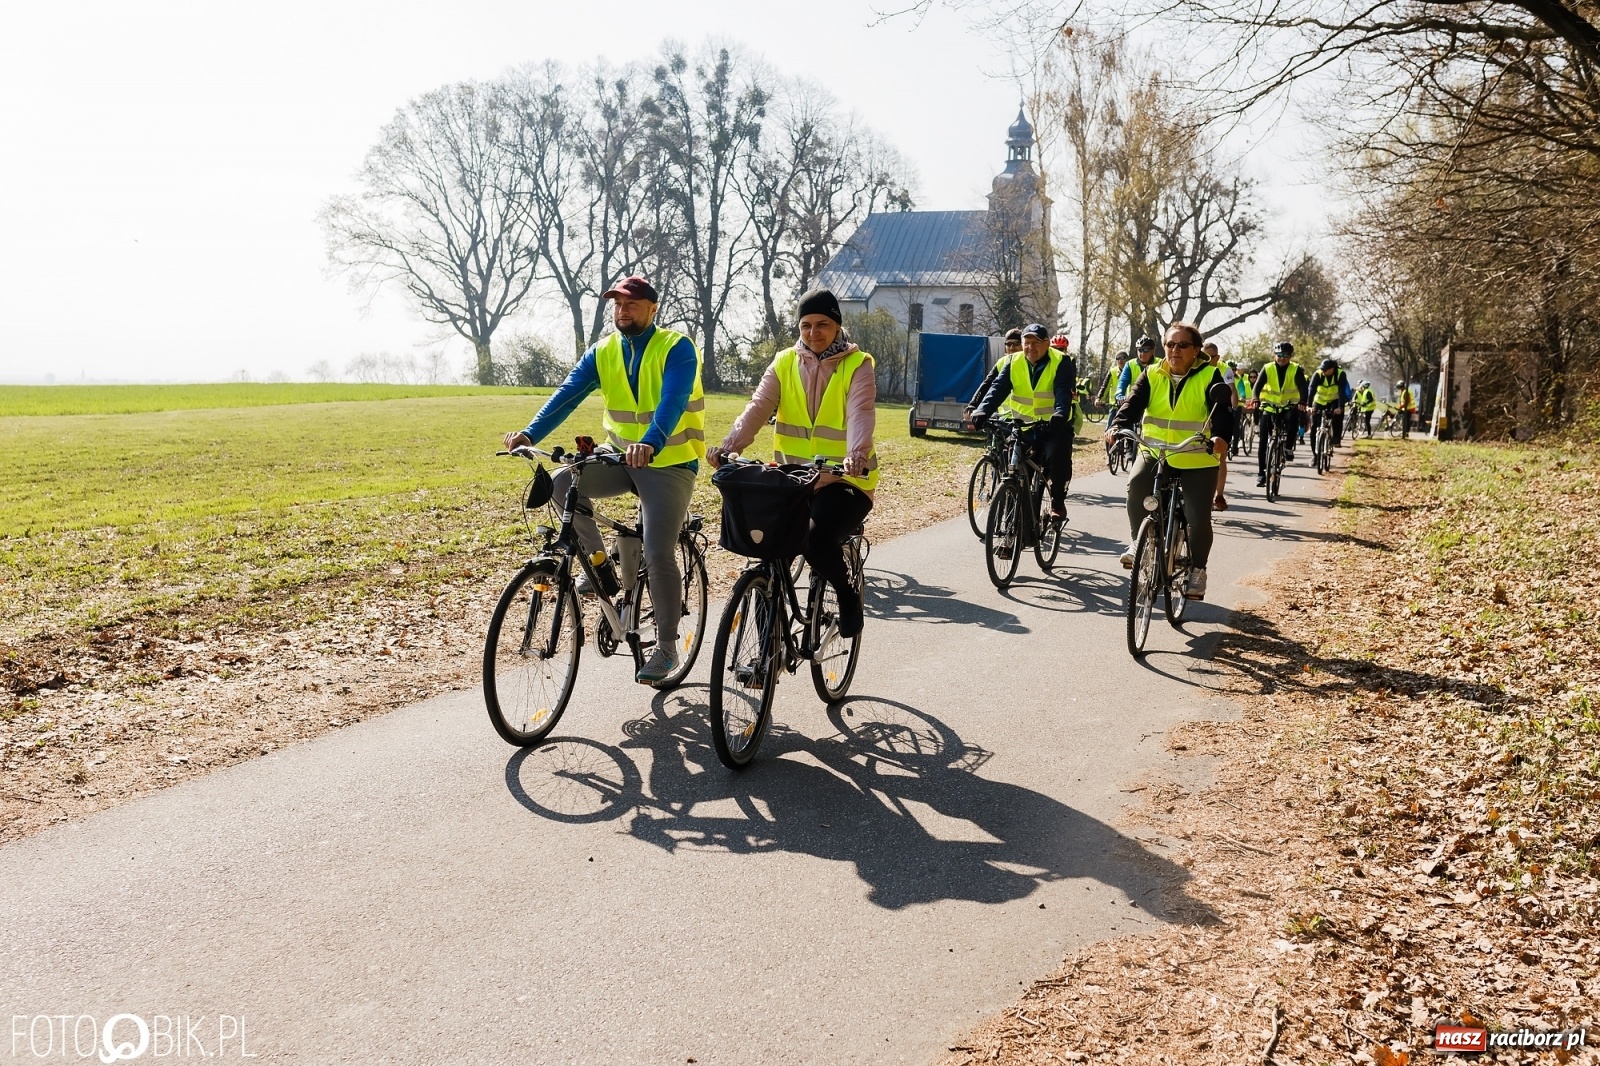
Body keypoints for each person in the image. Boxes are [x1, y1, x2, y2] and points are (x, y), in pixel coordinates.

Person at [502, 275, 704, 685]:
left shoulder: (676, 347)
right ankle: (600, 567)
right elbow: (569, 392)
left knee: (658, 552)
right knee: (559, 483)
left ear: (653, 308)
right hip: (621, 459)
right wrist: (530, 433)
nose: (623, 310)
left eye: (631, 303)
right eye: (617, 304)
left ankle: (666, 649)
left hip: (670, 463)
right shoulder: (604, 351)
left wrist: (651, 442)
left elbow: (673, 401)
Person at [710, 288, 876, 638]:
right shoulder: (784, 361)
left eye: (823, 324)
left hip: (844, 481)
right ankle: (764, 654)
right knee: (768, 551)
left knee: (814, 540)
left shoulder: (858, 365)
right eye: (806, 325)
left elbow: (860, 411)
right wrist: (729, 447)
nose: (814, 333)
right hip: (791, 480)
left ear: (837, 326)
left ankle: (847, 596)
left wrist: (856, 455)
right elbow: (757, 407)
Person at [1106, 322, 1235, 600]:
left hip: (1196, 457)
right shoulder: (1152, 373)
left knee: (1197, 518)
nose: (1175, 350)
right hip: (1156, 451)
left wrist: (1221, 437)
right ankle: (1137, 543)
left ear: (1196, 349)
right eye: (1170, 344)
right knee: (1137, 486)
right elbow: (1132, 404)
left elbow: (1223, 413)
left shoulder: (1211, 376)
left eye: (1182, 345)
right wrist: (1117, 425)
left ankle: (1197, 570)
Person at [972, 322, 1075, 522]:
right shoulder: (1014, 361)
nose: (1030, 347)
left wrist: (1061, 412)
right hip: (1022, 427)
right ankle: (1010, 533)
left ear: (1047, 344)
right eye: (1026, 343)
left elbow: (1063, 391)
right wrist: (982, 411)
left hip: (1052, 426)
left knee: (1057, 458)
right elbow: (997, 388)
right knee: (1014, 472)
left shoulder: (1061, 361)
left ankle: (1057, 502)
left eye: (1035, 343)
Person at [1249, 342, 1309, 486]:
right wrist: (1256, 398)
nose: (1282, 358)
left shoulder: (1295, 369)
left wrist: (1302, 401)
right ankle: (1261, 473)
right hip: (1270, 407)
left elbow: (1302, 386)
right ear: (1274, 355)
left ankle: (1288, 447)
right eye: (1279, 355)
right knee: (1263, 440)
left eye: (1285, 356)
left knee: (1292, 420)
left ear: (1290, 356)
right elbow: (1257, 386)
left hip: (1288, 406)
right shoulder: (1267, 368)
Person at [966, 327, 1022, 418]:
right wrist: (973, 404)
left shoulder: (1030, 363)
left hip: (1024, 418)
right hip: (1003, 417)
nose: (1012, 347)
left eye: (1016, 343)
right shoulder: (1001, 363)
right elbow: (986, 384)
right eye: (1008, 344)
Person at [1309, 358, 1352, 448]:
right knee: (1314, 426)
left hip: (1334, 400)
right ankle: (1315, 455)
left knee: (1337, 418)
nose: (1323, 371)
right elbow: (1311, 389)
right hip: (1319, 401)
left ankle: (1336, 439)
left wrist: (1340, 407)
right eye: (1322, 369)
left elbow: (1341, 391)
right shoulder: (1318, 374)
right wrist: (1309, 406)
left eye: (1325, 370)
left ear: (1332, 369)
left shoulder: (1340, 374)